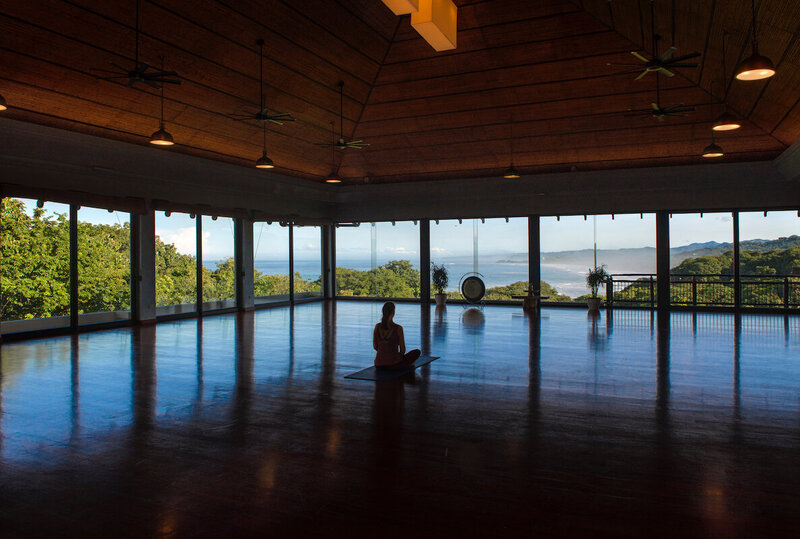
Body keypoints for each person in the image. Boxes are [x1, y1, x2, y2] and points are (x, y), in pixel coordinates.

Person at [373, 302, 421, 369]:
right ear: (393, 312)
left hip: (378, 364)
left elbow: (375, 347)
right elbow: (402, 350)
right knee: (417, 352)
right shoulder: (398, 328)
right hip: (393, 364)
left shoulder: (377, 327)